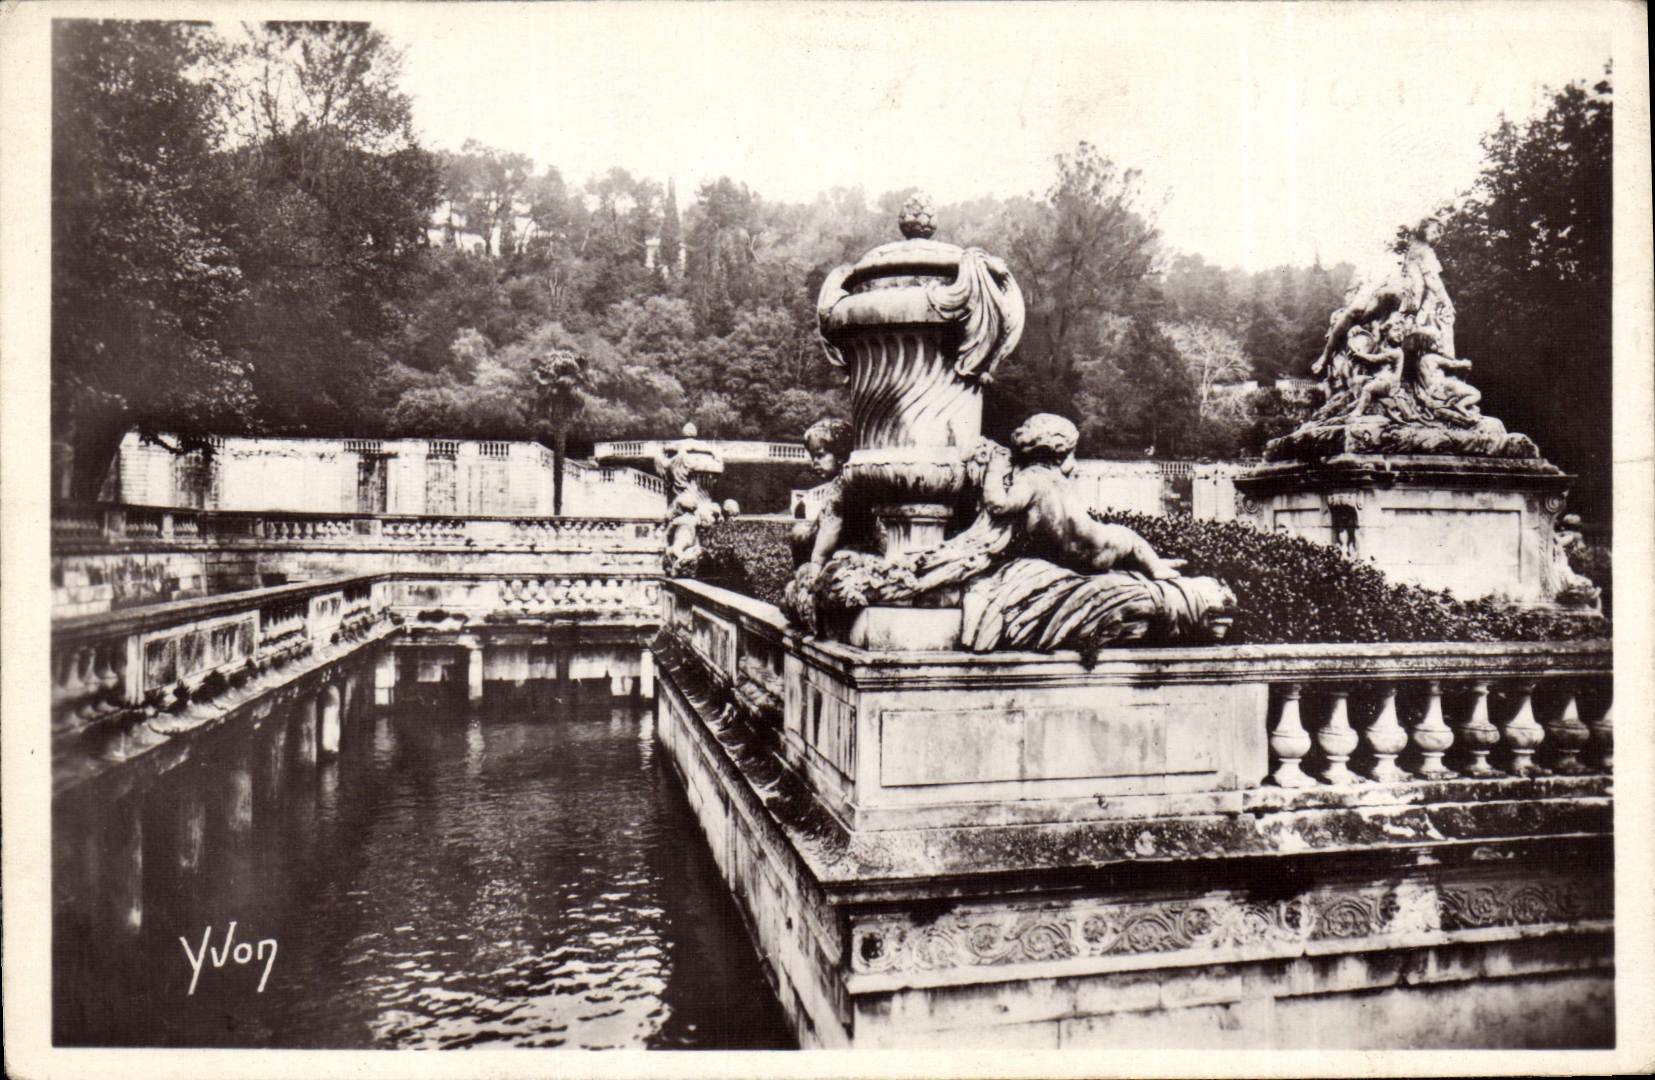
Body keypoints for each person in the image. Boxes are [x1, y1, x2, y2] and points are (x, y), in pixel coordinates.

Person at [973, 414, 1181, 580]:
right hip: (1098, 547)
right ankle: (1156, 566)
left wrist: (994, 469)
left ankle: (1156, 565)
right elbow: (1068, 467)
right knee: (1129, 537)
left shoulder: (1030, 479)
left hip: (1068, 558)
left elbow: (998, 505)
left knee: (1124, 539)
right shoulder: (1057, 477)